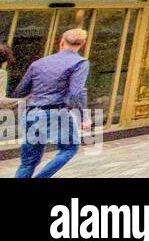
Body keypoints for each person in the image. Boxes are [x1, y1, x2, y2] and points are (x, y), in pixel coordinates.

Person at [13, 29, 91, 179]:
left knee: (28, 162)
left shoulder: (38, 63)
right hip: (56, 112)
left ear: (61, 42)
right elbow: (76, 92)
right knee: (70, 148)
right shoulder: (80, 63)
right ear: (82, 44)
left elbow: (19, 92)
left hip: (31, 113)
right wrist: (84, 117)